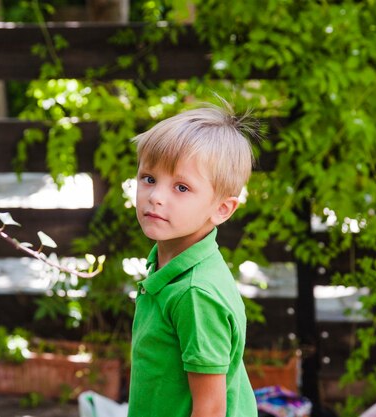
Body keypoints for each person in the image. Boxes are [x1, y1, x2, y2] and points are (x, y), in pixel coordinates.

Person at [127, 103, 259, 417]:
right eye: (148, 178)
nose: (156, 196)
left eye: (182, 187)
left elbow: (210, 410)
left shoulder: (195, 294)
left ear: (222, 209)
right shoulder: (170, 265)